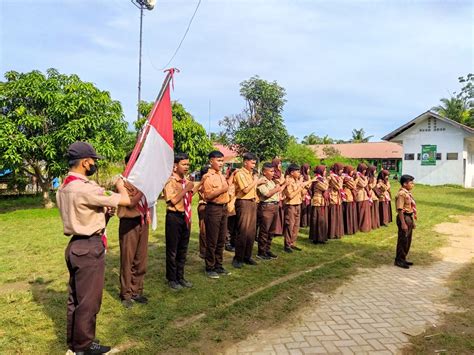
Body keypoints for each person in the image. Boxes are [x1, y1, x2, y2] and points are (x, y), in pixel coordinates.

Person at [57, 141, 131, 355]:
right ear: (85, 162)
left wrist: (102, 215)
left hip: (75, 245)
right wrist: (119, 184)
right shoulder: (85, 188)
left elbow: (84, 213)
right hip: (89, 247)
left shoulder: (64, 187)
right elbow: (125, 200)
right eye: (93, 161)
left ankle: (75, 343)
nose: (94, 164)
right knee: (89, 302)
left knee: (76, 299)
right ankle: (84, 347)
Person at [117, 153, 150, 308]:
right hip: (129, 223)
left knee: (140, 259)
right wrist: (143, 189)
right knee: (127, 259)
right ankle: (126, 294)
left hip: (143, 221)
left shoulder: (142, 181)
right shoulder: (121, 182)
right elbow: (130, 203)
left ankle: (137, 290)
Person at [163, 153, 197, 290]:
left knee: (183, 248)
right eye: (184, 164)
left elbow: (188, 196)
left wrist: (192, 188)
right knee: (173, 249)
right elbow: (173, 200)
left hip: (186, 216)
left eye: (188, 164)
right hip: (174, 217)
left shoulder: (185, 180)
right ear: (175, 166)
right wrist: (187, 189)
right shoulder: (170, 181)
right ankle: (172, 278)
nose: (187, 167)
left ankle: (180, 276)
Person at [233, 153, 266, 268]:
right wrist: (256, 181)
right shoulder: (240, 173)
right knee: (243, 231)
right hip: (244, 203)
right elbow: (245, 189)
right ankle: (238, 258)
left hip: (252, 203)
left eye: (254, 163)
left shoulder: (251, 174)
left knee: (251, 232)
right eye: (252, 163)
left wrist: (257, 182)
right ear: (245, 162)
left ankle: (247, 256)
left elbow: (252, 188)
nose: (253, 166)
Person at [201, 150, 231, 278]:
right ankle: (210, 267)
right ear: (211, 161)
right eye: (218, 161)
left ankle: (219, 265)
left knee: (221, 238)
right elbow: (207, 196)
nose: (221, 163)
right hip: (213, 209)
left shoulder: (221, 175)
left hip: (223, 208)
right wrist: (222, 190)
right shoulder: (207, 177)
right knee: (212, 239)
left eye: (222, 161)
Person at [256, 162, 284, 259]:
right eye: (271, 171)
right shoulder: (262, 181)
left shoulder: (272, 181)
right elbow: (266, 194)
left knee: (271, 231)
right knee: (264, 230)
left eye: (273, 171)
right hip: (266, 207)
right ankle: (261, 252)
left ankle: (267, 249)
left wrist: (277, 188)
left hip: (274, 206)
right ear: (264, 172)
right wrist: (276, 189)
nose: (273, 173)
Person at [283, 164, 312, 252]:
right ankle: (287, 245)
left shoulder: (297, 180)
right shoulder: (288, 181)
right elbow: (290, 195)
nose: (299, 173)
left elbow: (302, 192)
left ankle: (292, 243)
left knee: (296, 226)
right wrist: (300, 187)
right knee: (290, 225)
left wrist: (305, 186)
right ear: (292, 172)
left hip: (298, 204)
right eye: (297, 171)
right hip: (291, 205)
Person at [394, 175, 417, 269]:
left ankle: (403, 258)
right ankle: (399, 260)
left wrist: (412, 222)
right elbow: (400, 209)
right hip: (404, 217)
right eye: (411, 183)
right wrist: (403, 223)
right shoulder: (401, 194)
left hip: (409, 217)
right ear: (404, 184)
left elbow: (410, 207)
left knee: (408, 240)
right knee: (403, 239)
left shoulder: (408, 193)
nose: (413, 185)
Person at [309, 165, 329, 244]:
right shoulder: (317, 180)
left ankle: (321, 237)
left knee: (322, 219)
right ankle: (315, 238)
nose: (325, 172)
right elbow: (325, 187)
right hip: (317, 201)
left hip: (322, 201)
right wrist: (326, 182)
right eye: (324, 171)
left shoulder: (321, 179)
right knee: (316, 219)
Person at [328, 163, 345, 239]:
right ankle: (332, 233)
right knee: (333, 215)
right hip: (333, 198)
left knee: (337, 216)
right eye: (341, 169)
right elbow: (338, 186)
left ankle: (337, 232)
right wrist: (341, 179)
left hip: (337, 198)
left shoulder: (337, 176)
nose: (342, 171)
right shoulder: (332, 176)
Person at [342, 165, 358, 235]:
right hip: (348, 196)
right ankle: (348, 229)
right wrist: (356, 179)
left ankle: (350, 228)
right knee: (348, 213)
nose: (352, 172)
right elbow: (353, 186)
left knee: (350, 213)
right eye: (351, 171)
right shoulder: (346, 178)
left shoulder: (347, 177)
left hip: (349, 196)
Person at [355, 163, 371, 233]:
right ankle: (361, 226)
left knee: (365, 212)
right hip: (360, 196)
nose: (365, 171)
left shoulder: (363, 176)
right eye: (364, 169)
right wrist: (366, 179)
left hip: (365, 196)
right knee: (361, 212)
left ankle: (365, 226)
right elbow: (363, 184)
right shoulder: (357, 175)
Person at [197, 165, 209, 258]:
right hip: (204, 206)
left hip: (209, 207)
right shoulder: (202, 184)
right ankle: (203, 251)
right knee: (204, 229)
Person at [271, 158, 285, 236]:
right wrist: (283, 179)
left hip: (281, 193)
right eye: (279, 164)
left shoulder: (280, 173)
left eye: (280, 164)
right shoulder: (273, 174)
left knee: (280, 211)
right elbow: (279, 182)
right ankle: (274, 230)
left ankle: (279, 230)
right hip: (275, 194)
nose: (280, 165)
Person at [225, 167, 238, 252]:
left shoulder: (237, 184)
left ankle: (233, 242)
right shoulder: (230, 185)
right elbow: (228, 197)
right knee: (229, 227)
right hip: (230, 209)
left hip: (237, 209)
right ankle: (227, 243)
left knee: (234, 227)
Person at [367, 165, 380, 230]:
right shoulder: (368, 178)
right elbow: (371, 186)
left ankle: (375, 223)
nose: (375, 171)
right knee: (372, 210)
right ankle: (372, 223)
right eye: (374, 170)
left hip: (373, 195)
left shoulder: (371, 178)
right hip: (371, 195)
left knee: (375, 210)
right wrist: (375, 183)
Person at [299, 164, 312, 228]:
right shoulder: (300, 176)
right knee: (303, 207)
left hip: (308, 193)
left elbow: (309, 184)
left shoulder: (308, 176)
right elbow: (303, 184)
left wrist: (307, 183)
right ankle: (303, 222)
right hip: (303, 194)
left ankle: (308, 222)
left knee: (308, 207)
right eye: (308, 169)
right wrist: (308, 183)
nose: (309, 170)